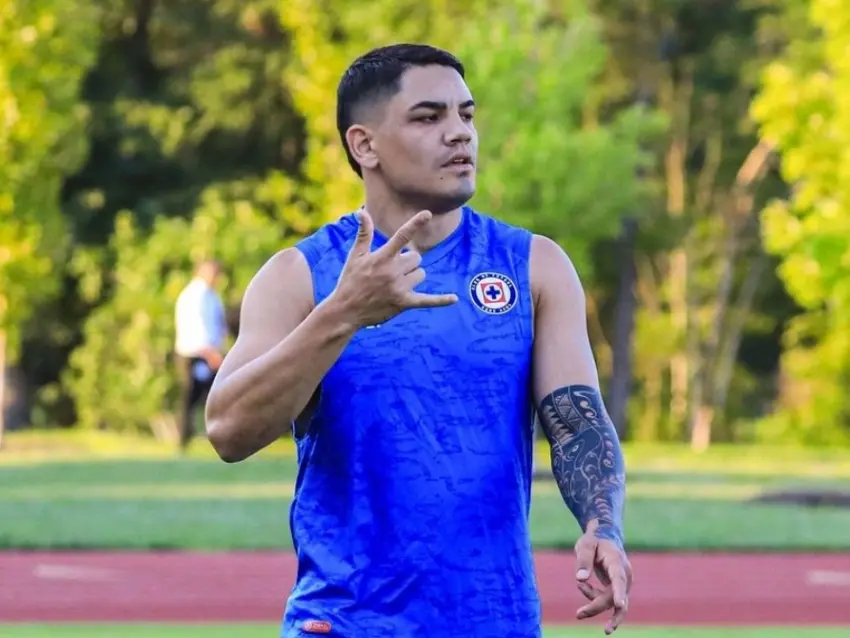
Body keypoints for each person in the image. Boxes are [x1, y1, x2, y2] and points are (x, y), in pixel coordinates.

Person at [205, 44, 633, 637]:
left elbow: (577, 423)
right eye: (429, 117)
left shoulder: (534, 266)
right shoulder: (299, 276)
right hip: (344, 624)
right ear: (365, 145)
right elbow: (228, 430)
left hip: (496, 621)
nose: (460, 133)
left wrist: (602, 525)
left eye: (466, 114)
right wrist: (344, 313)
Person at [174, 259, 227, 452]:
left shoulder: (212, 295)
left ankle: (213, 437)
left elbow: (218, 326)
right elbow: (197, 328)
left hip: (209, 352)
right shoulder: (195, 296)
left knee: (211, 397)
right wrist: (211, 354)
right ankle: (184, 440)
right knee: (192, 398)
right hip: (195, 354)